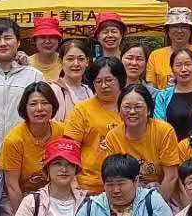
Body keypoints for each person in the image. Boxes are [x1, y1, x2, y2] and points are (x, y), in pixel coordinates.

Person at [100, 82, 183, 207]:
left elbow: (171, 177)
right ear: (119, 110)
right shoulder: (113, 137)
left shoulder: (164, 131)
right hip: (127, 196)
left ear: (148, 109)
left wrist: (154, 208)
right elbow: (115, 178)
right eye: (126, 107)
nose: (132, 111)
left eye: (138, 107)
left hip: (163, 195)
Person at [0, 82, 64, 216]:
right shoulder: (14, 140)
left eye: (45, 103)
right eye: (33, 104)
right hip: (20, 198)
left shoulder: (62, 132)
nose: (39, 108)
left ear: (53, 106)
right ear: (25, 108)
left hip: (54, 195)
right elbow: (12, 185)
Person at [62, 58, 126, 193]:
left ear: (120, 79)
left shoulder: (130, 108)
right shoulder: (82, 110)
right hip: (88, 185)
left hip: (125, 183)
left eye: (109, 80)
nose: (104, 85)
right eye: (98, 81)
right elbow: (70, 148)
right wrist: (72, 181)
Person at [145, 6, 192, 89]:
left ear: (191, 30)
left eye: (184, 27)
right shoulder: (155, 55)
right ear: (168, 30)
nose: (179, 31)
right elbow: (151, 88)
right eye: (174, 26)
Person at [151, 46, 192, 138]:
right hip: (171, 145)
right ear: (172, 69)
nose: (183, 69)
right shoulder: (163, 96)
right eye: (178, 65)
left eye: (188, 64)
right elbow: (159, 127)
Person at [52, 38, 94, 121]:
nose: (76, 64)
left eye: (81, 59)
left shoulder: (89, 91)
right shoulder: (54, 90)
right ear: (60, 61)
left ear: (87, 62)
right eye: (70, 59)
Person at [28, 16, 64, 81]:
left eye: (52, 37)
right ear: (35, 41)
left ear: (58, 40)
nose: (47, 41)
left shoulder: (65, 62)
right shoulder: (26, 63)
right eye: (42, 37)